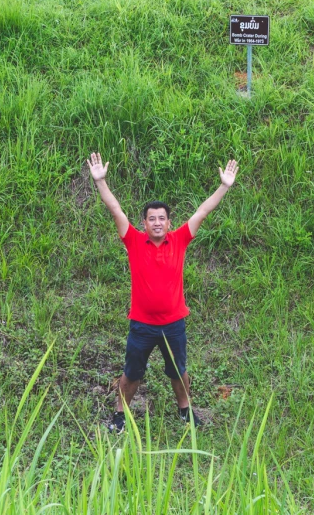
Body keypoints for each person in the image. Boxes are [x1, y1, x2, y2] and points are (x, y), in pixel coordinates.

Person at [87, 152, 239, 432]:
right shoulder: (134, 241)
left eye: (162, 218)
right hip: (142, 325)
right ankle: (121, 415)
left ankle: (185, 411)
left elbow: (202, 211)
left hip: (173, 324)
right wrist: (101, 182)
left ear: (169, 223)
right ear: (144, 223)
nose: (157, 222)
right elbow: (116, 210)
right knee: (132, 373)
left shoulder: (179, 239)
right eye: (151, 219)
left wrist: (224, 186)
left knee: (178, 372)